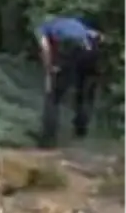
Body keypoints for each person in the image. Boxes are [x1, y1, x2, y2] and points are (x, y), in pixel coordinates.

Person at [37, 15, 101, 148]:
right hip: (91, 50)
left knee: (53, 97)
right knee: (83, 92)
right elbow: (98, 36)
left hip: (71, 47)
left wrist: (50, 68)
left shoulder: (44, 28)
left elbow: (45, 48)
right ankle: (81, 131)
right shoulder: (75, 23)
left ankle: (48, 139)